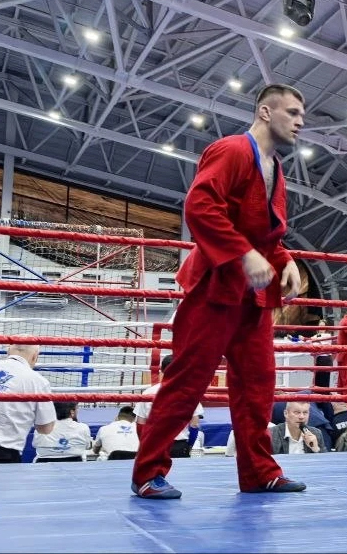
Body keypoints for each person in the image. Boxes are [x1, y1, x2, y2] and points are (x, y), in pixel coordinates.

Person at [130, 83, 307, 499]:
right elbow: (200, 207)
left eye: (302, 115)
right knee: (187, 381)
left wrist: (286, 260)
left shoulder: (274, 166)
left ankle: (259, 473)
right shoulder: (232, 150)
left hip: (252, 297)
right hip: (215, 288)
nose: (300, 122)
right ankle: (147, 474)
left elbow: (266, 233)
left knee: (258, 386)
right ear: (265, 112)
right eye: (293, 113)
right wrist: (243, 255)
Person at [135, 355, 203, 458]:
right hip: (179, 446)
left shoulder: (148, 393)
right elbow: (194, 424)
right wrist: (189, 445)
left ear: (161, 370)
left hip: (154, 445)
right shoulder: (189, 393)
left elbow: (140, 423)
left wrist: (145, 445)